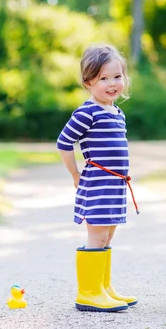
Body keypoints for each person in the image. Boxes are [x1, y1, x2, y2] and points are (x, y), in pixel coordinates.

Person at [57, 44, 137, 312]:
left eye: (117, 77)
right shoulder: (86, 112)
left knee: (109, 236)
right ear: (89, 82)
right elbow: (64, 142)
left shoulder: (117, 113)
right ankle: (89, 293)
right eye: (104, 78)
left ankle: (104, 288)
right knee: (97, 237)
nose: (112, 84)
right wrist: (75, 174)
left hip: (115, 186)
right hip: (98, 186)